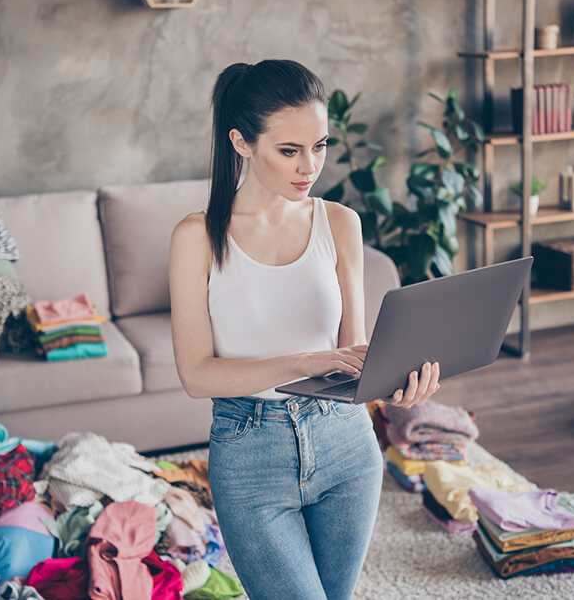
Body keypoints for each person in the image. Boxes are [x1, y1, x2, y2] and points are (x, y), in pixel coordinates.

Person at [168, 59, 441, 600]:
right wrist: (301, 362)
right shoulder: (197, 236)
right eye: (289, 150)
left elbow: (352, 354)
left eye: (319, 145)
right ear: (242, 143)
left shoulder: (340, 222)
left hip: (346, 446)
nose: (309, 166)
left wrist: (398, 379)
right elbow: (197, 376)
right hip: (249, 454)